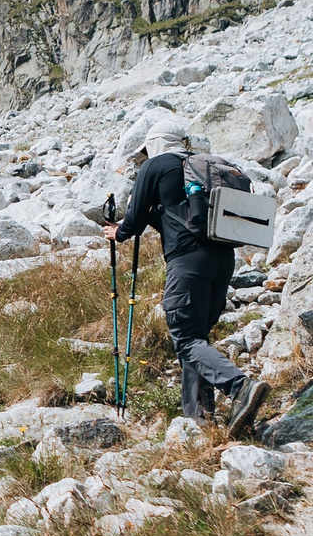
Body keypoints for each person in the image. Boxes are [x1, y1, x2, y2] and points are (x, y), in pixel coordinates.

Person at [111, 112, 271, 437]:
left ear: (152, 145)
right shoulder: (199, 166)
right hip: (224, 259)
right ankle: (202, 420)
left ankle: (240, 386)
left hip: (187, 262)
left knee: (185, 337)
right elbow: (175, 217)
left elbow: (134, 220)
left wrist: (117, 232)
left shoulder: (155, 166)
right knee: (197, 338)